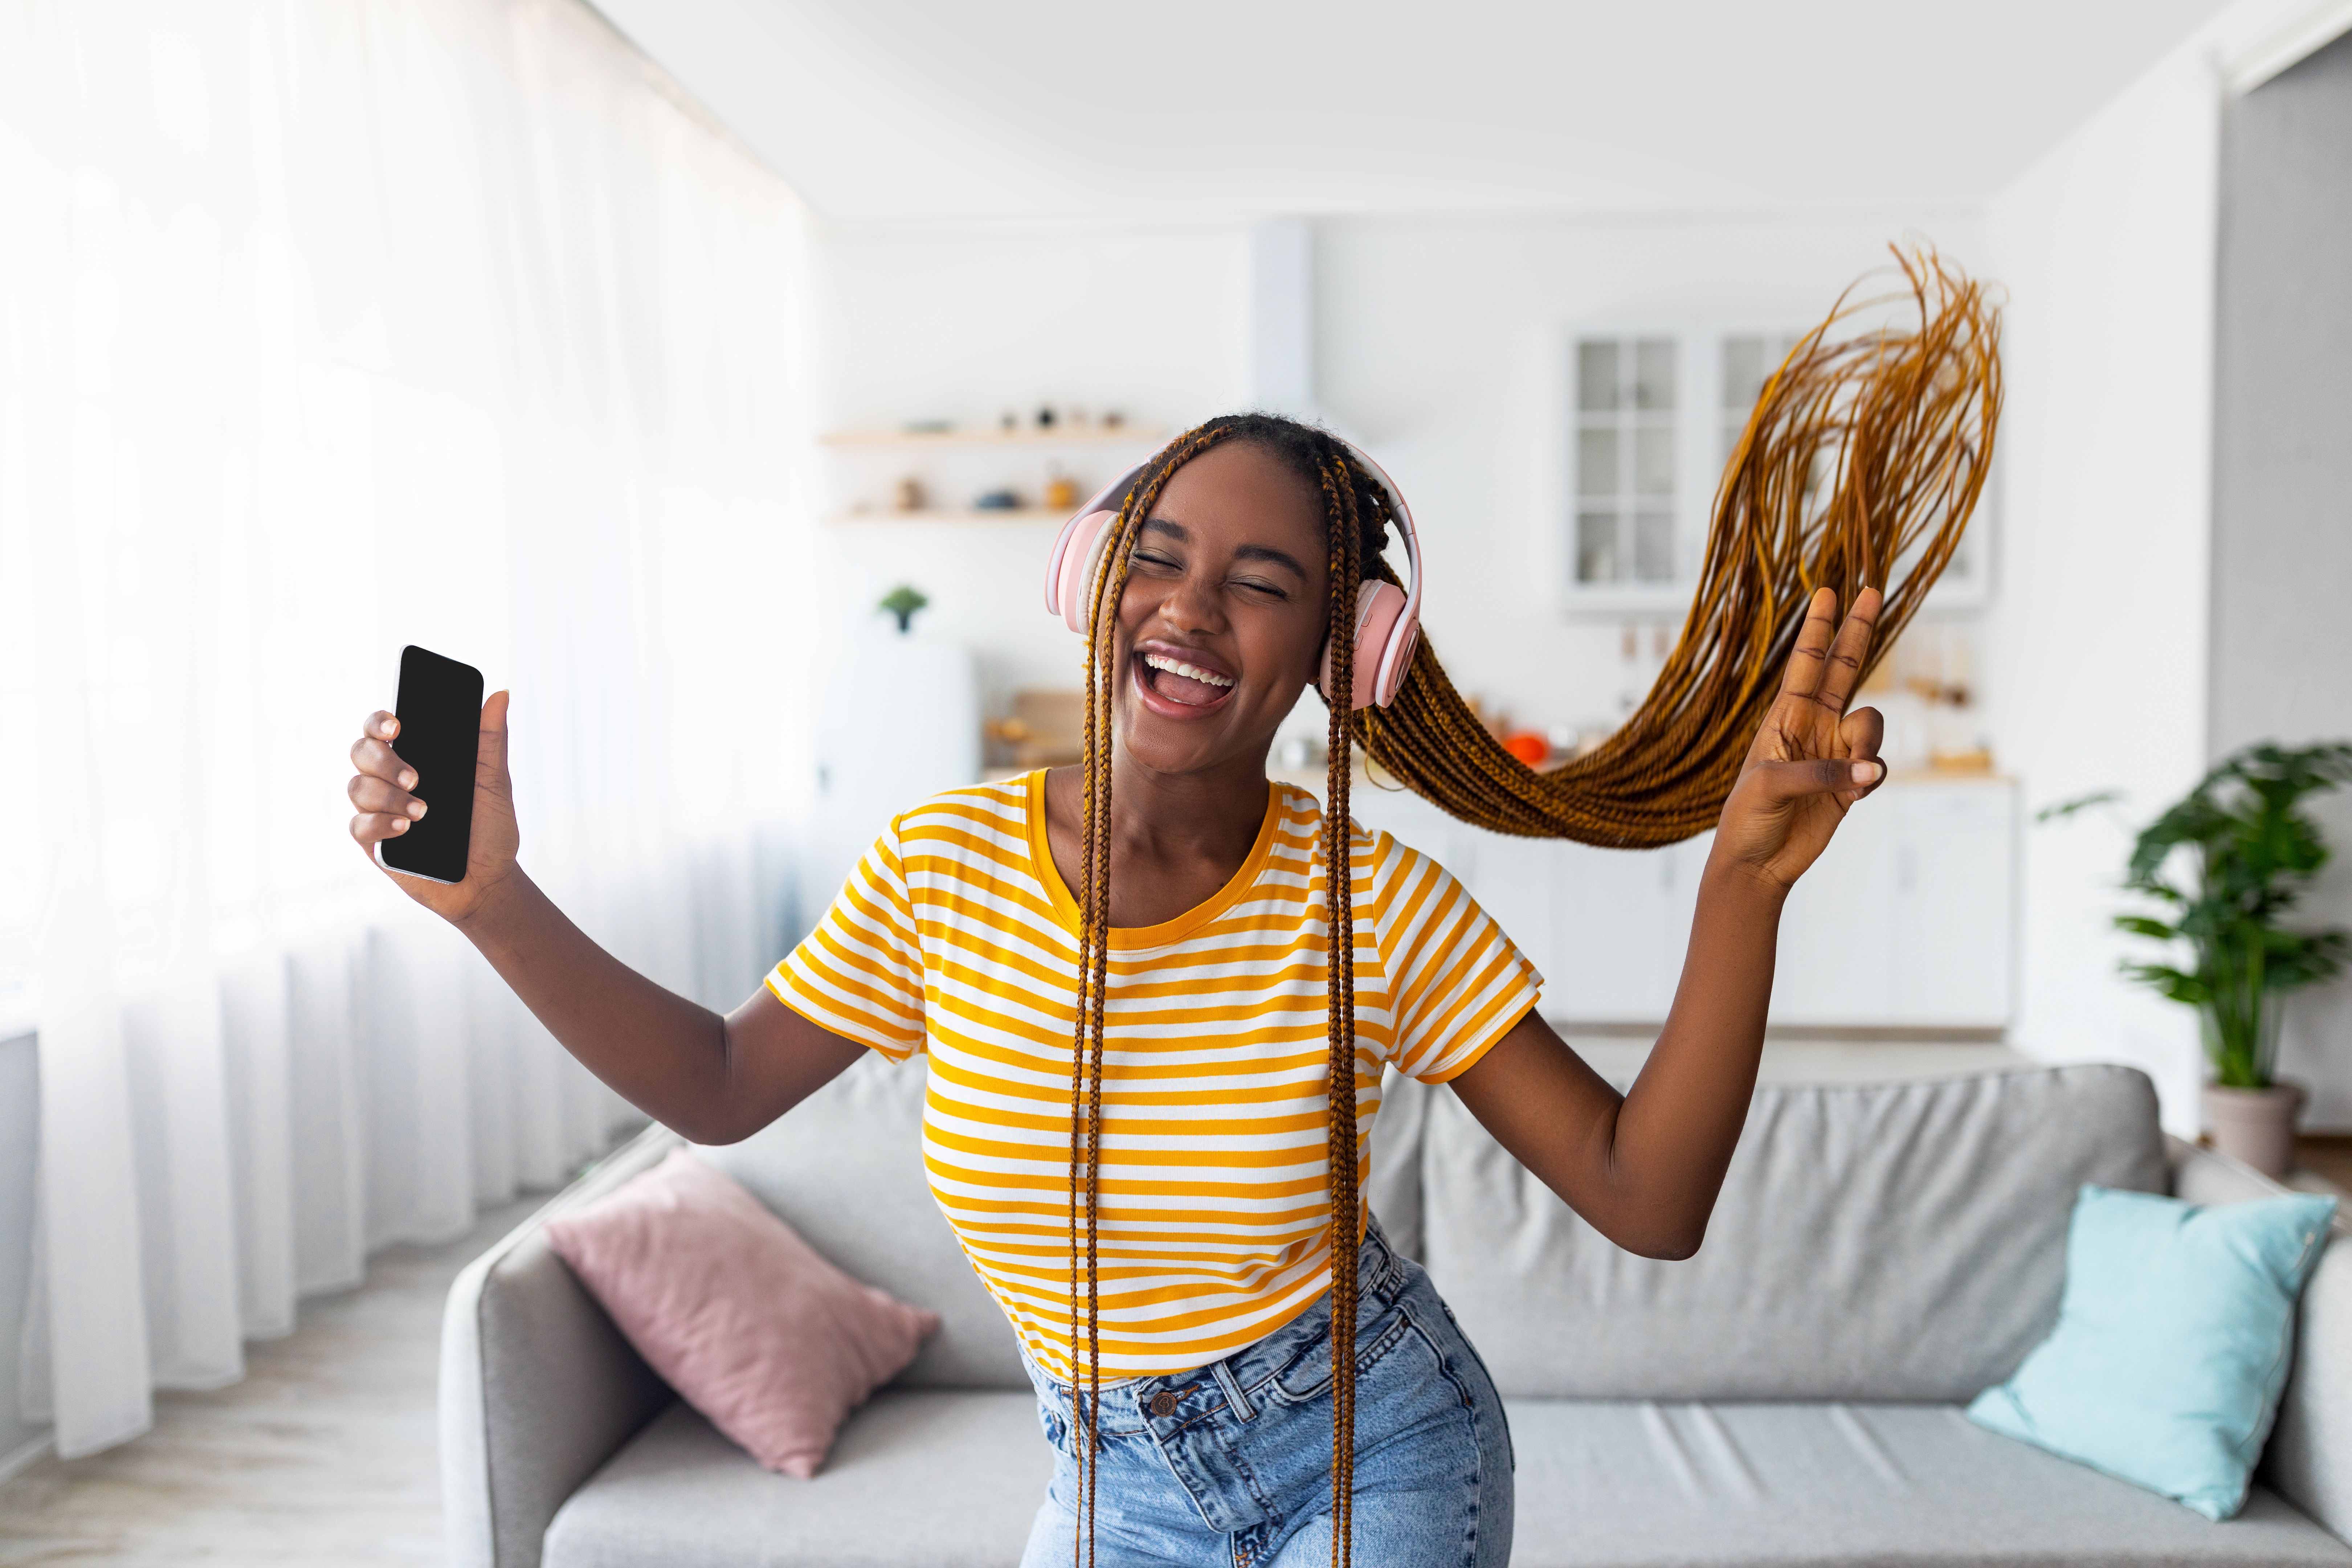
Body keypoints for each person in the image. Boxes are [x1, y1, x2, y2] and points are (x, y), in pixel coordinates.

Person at [345, 412, 1887, 1568]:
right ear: (1093, 580)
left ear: (1344, 656)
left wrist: (1743, 886)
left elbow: (1648, 1198)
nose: (1190, 604)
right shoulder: (947, 864)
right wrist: (493, 905)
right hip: (1105, 1487)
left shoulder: (1379, 906)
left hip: (1373, 1450)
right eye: (1156, 553)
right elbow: (721, 1087)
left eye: (1262, 582)